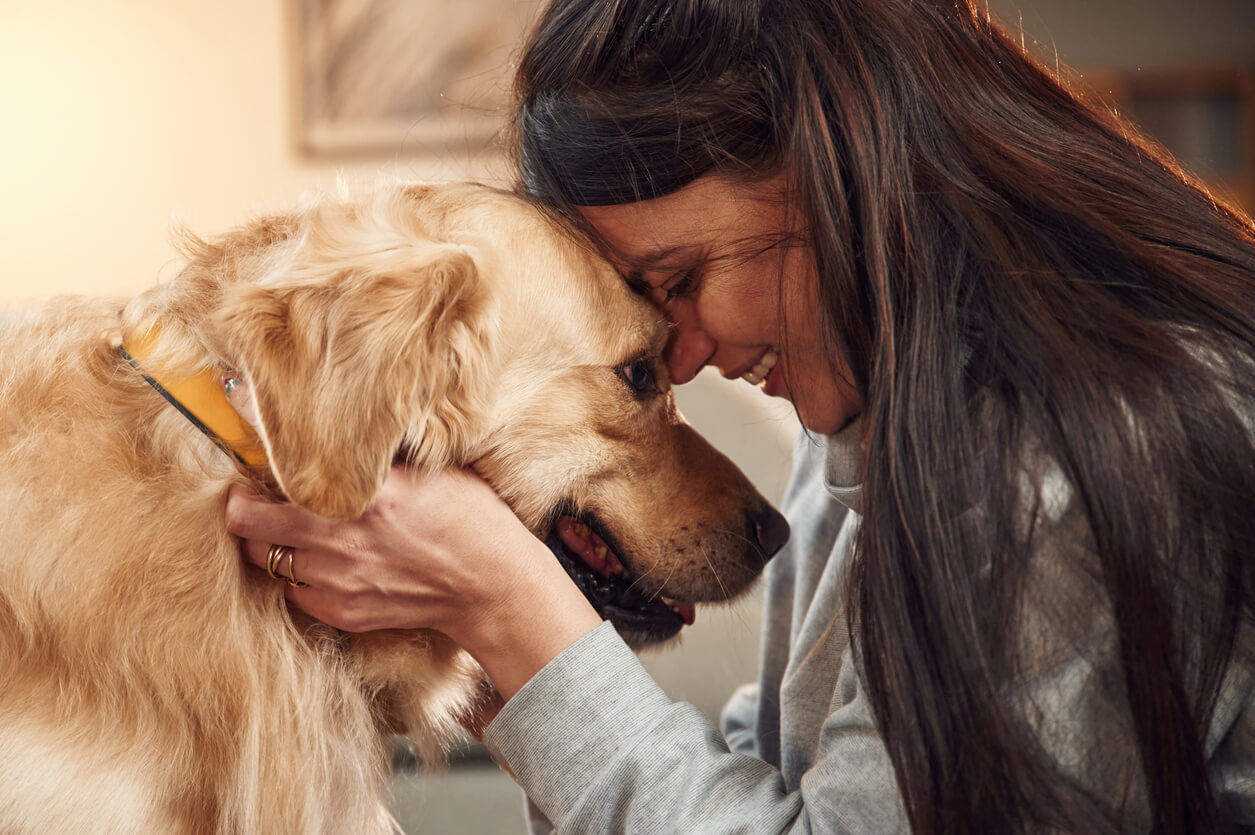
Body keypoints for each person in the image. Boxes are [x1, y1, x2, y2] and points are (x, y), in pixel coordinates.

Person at [225, 0, 1255, 831]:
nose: (684, 356)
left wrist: (517, 619)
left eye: (680, 276)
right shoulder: (859, 417)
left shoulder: (1078, 448)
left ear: (839, 160)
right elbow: (777, 785)